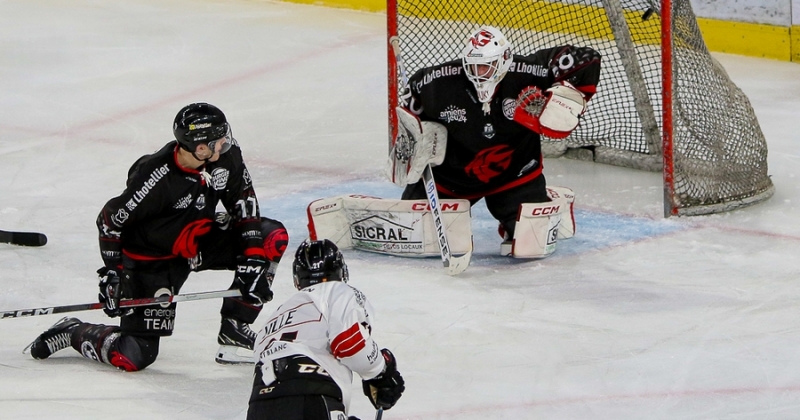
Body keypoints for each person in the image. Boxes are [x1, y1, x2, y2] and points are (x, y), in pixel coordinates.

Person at [24, 102, 289, 370]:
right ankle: (73, 331)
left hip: (197, 243)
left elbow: (244, 204)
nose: (225, 143)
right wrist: (114, 273)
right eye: (218, 140)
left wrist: (254, 259)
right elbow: (109, 221)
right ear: (199, 148)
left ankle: (235, 330)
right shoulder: (155, 177)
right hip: (152, 261)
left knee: (270, 239)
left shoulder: (226, 158)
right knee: (133, 355)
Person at [399, 26, 601, 250]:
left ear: (505, 59)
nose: (479, 72)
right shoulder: (434, 83)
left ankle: (551, 198)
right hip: (451, 179)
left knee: (531, 247)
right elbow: (408, 115)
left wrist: (567, 92)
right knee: (414, 236)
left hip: (514, 177)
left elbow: (587, 59)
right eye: (473, 65)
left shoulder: (529, 73)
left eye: (486, 65)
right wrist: (414, 141)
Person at [246, 240, 404, 420]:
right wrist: (381, 371)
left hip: (259, 405)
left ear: (297, 279)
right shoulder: (338, 290)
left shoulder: (275, 317)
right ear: (341, 270)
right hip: (311, 396)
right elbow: (349, 344)